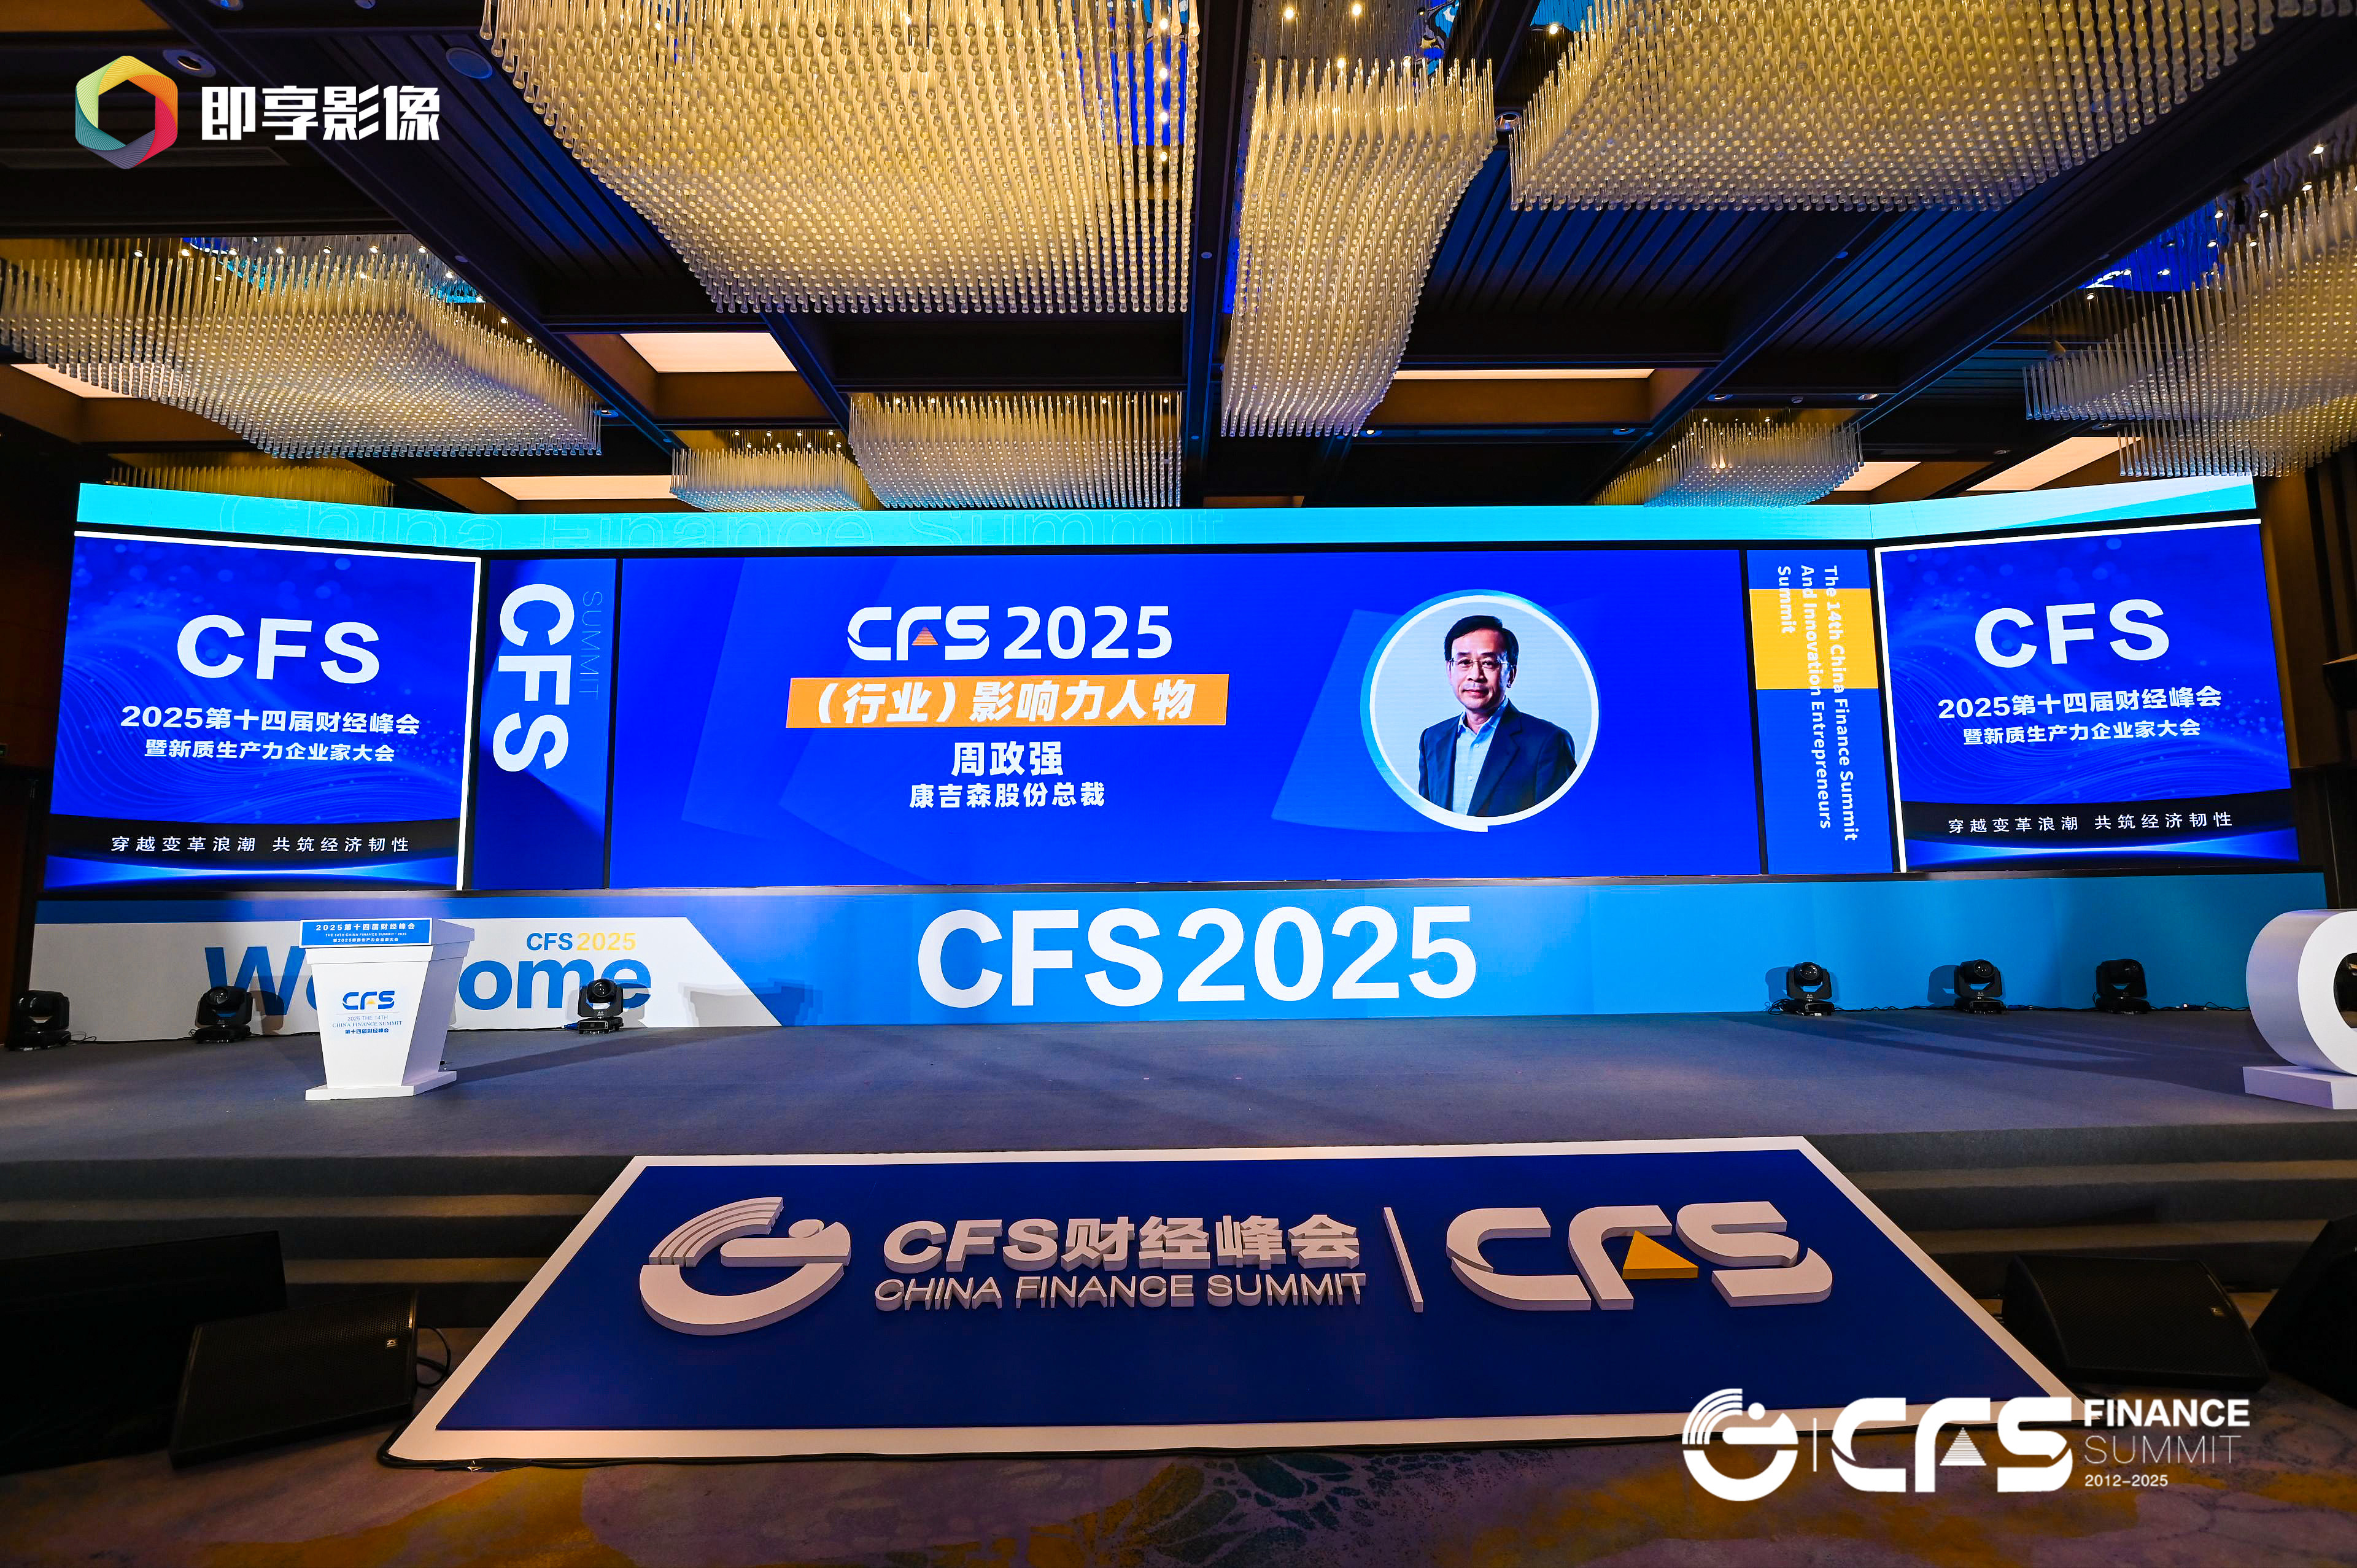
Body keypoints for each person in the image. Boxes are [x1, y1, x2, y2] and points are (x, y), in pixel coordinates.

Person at [1416, 614, 1578, 818]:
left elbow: (1557, 824)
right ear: (1450, 670)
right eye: (1464, 662)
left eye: (1489, 663)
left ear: (1511, 675)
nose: (1476, 675)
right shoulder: (1432, 739)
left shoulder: (1549, 742)